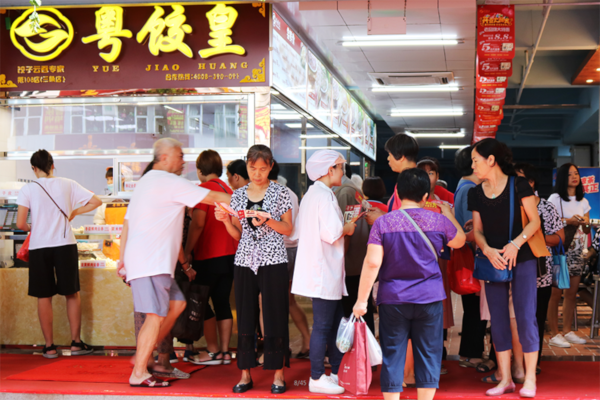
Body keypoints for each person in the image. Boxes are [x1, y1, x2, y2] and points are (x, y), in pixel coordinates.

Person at [118, 138, 231, 388]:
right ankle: (139, 371)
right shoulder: (167, 181)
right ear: (165, 157)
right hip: (151, 262)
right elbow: (212, 197)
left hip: (152, 261)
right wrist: (251, 200)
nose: (183, 161)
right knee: (155, 316)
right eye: (180, 155)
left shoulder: (147, 181)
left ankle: (144, 355)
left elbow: (128, 222)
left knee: (177, 304)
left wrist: (122, 258)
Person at [353, 168, 465, 400]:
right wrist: (449, 214)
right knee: (428, 354)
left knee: (393, 355)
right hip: (430, 299)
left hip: (393, 300)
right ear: (426, 196)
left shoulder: (383, 223)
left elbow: (373, 263)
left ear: (399, 192)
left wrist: (361, 301)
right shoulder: (438, 221)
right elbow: (460, 241)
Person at [215, 145, 293, 394]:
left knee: (275, 314)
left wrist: (268, 219)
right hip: (245, 260)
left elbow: (288, 229)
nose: (257, 173)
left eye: (262, 168)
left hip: (274, 260)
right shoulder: (237, 195)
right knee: (246, 316)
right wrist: (227, 221)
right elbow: (238, 235)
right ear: (246, 165)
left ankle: (278, 374)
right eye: (252, 168)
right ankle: (245, 373)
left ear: (270, 166)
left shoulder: (281, 193)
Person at [468, 138, 541, 397]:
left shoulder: (519, 185)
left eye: (476, 160)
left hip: (521, 257)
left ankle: (529, 378)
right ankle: (506, 379)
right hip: (493, 260)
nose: (473, 165)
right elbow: (477, 229)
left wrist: (516, 244)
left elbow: (534, 222)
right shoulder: (475, 192)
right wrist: (486, 249)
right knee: (497, 320)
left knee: (525, 317)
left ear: (491, 160)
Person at [16, 149, 102, 359]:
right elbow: (96, 201)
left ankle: (49, 347)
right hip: (65, 245)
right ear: (52, 165)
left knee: (43, 296)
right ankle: (75, 343)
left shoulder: (28, 188)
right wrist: (73, 213)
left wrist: (34, 227)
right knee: (71, 293)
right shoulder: (68, 183)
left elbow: (20, 224)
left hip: (38, 246)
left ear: (34, 168)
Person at [292, 150, 357, 394]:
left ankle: (337, 372)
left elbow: (297, 233)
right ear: (330, 170)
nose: (343, 171)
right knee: (323, 326)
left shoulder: (311, 195)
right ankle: (317, 377)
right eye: (341, 167)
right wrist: (349, 226)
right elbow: (332, 233)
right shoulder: (325, 196)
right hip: (323, 271)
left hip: (320, 270)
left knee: (333, 322)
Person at [183, 150, 237, 365]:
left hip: (208, 255)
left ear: (199, 170)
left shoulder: (203, 190)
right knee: (222, 301)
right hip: (230, 254)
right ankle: (224, 352)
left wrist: (186, 252)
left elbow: (197, 224)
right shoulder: (227, 189)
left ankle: (213, 351)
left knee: (201, 302)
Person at [515, 163, 564, 375]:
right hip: (513, 270)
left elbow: (560, 238)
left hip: (540, 272)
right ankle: (511, 362)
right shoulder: (510, 206)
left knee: (536, 316)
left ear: (531, 182)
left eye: (519, 179)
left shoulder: (545, 207)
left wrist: (533, 235)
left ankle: (533, 362)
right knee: (513, 317)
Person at [452, 146, 492, 372]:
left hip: (470, 257)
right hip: (475, 257)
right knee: (476, 308)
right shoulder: (470, 190)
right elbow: (473, 232)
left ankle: (470, 351)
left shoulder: (463, 187)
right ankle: (472, 353)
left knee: (474, 308)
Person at [268, 161, 310, 359]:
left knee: (266, 303)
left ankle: (277, 348)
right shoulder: (291, 193)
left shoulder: (270, 194)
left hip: (279, 252)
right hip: (294, 250)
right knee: (289, 301)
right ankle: (306, 340)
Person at [416, 157, 454, 374]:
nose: (427, 177)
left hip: (437, 264)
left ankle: (436, 358)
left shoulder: (443, 203)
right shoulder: (407, 202)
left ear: (438, 178)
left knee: (436, 310)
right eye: (423, 172)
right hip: (413, 263)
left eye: (431, 173)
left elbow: (452, 237)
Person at [546, 163, 591, 347]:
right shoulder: (555, 198)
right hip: (560, 248)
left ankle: (567, 330)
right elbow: (549, 222)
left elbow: (588, 228)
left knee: (572, 292)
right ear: (563, 177)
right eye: (571, 174)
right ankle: (554, 333)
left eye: (577, 173)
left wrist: (586, 223)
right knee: (555, 292)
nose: (575, 177)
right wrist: (568, 221)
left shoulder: (583, 201)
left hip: (578, 247)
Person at [336, 165, 375, 336]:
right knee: (360, 309)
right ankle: (367, 352)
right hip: (358, 259)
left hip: (350, 261)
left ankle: (358, 353)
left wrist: (339, 258)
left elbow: (347, 230)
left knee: (352, 309)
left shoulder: (344, 192)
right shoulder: (353, 189)